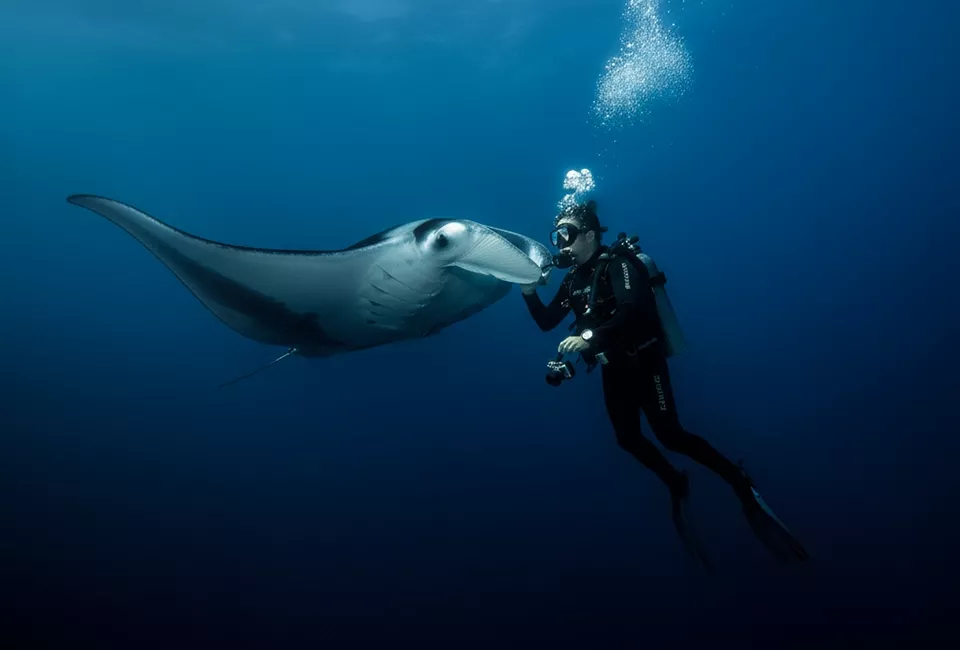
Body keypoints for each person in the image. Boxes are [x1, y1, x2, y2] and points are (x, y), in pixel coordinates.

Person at [520, 200, 809, 569]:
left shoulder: (619, 265)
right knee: (626, 438)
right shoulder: (573, 280)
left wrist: (589, 340)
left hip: (645, 361)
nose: (561, 241)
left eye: (568, 233)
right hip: (614, 368)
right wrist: (529, 293)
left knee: (670, 434)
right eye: (556, 234)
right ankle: (676, 481)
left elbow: (632, 309)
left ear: (590, 234)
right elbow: (547, 321)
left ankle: (738, 480)